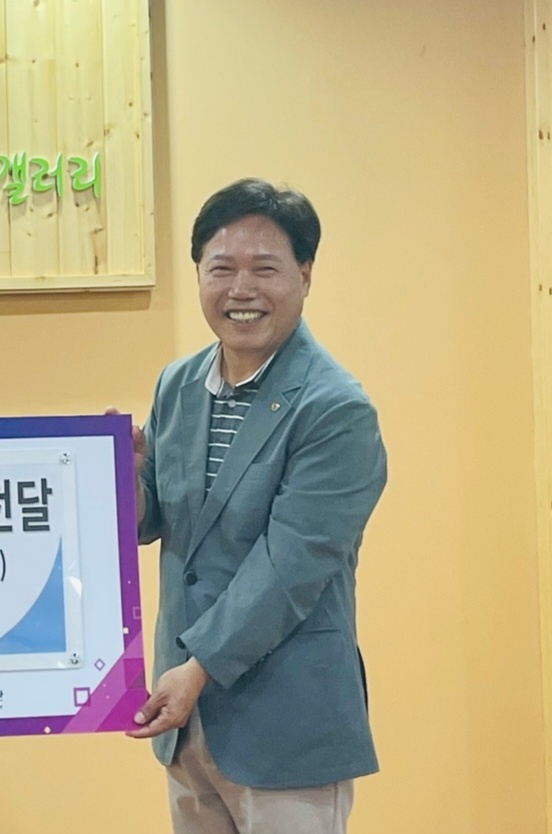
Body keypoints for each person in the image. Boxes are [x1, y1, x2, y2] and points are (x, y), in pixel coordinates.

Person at [127, 178, 386, 833]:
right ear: (198, 274)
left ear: (305, 274)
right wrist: (123, 479)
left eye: (265, 269)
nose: (241, 290)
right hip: (187, 725)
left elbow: (290, 567)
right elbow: (150, 519)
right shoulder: (178, 384)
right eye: (222, 269)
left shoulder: (335, 409)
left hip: (286, 724)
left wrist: (196, 670)